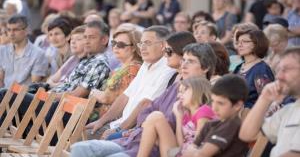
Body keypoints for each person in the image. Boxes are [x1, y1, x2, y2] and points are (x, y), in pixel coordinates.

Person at [70, 42, 217, 157]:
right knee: (81, 148)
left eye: (190, 61)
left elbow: (182, 135)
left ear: (205, 68)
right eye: (183, 60)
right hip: (134, 139)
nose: (183, 65)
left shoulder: (206, 96)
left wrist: (151, 126)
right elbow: (148, 109)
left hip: (155, 149)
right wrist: (141, 126)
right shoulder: (177, 86)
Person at [84, 26, 175, 139]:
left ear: (163, 45)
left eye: (147, 43)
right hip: (118, 124)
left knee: (79, 142)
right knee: (78, 135)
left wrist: (118, 130)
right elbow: (125, 96)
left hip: (132, 131)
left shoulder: (168, 68)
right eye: (141, 43)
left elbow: (146, 104)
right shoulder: (146, 64)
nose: (142, 47)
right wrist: (101, 121)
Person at [239, 47, 300, 157]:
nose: (279, 76)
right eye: (279, 70)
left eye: (286, 69)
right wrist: (264, 98)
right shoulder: (289, 110)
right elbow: (247, 134)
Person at [137, 77, 215, 157]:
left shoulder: (204, 111)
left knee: (156, 116)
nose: (178, 95)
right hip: (181, 152)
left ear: (198, 91)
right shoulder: (186, 115)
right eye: (179, 92)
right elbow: (180, 145)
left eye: (183, 91)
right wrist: (179, 117)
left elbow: (198, 145)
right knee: (155, 117)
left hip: (192, 154)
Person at [182, 74, 249, 157]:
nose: (214, 108)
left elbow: (201, 155)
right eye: (213, 101)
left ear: (237, 105)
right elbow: (188, 152)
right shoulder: (210, 124)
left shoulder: (231, 125)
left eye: (220, 103)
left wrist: (194, 152)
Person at [89, 25, 143, 116]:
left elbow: (108, 98)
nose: (115, 47)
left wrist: (93, 92)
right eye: (114, 43)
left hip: (114, 122)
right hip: (104, 117)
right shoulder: (122, 67)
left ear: (134, 47)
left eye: (121, 45)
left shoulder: (133, 69)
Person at [0, 15, 48, 88]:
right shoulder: (2, 50)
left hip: (24, 96)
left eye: (15, 30)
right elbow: (1, 80)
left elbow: (33, 86)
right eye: (9, 30)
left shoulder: (38, 54)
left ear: (26, 31)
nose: (11, 33)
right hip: (3, 94)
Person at [233, 23, 274, 108]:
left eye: (244, 41)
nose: (239, 45)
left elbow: (267, 100)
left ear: (256, 44)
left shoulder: (261, 69)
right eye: (238, 42)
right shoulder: (239, 67)